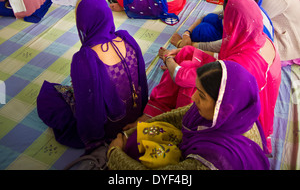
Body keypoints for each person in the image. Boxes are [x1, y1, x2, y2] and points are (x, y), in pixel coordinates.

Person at [135, 0, 280, 153]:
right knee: (189, 58)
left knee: (190, 85)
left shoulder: (241, 64)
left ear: (234, 24)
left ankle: (157, 116)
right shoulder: (258, 38)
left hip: (242, 117)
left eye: (227, 22)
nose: (223, 25)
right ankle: (154, 112)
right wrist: (187, 50)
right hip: (250, 101)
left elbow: (184, 78)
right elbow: (221, 59)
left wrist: (169, 59)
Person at [107, 60, 270, 171]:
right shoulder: (237, 113)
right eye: (196, 90)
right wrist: (138, 127)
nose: (193, 98)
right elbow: (177, 116)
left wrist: (115, 154)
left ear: (224, 108)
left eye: (201, 95)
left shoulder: (212, 160)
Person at [36, 0, 148, 152]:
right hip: (136, 114)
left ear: (83, 22)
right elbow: (142, 81)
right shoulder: (126, 39)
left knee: (48, 96)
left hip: (111, 127)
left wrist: (93, 139)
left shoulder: (85, 58)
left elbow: (89, 110)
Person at [170, 0, 274, 53]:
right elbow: (206, 16)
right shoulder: (250, 10)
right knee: (210, 18)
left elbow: (220, 52)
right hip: (230, 40)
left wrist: (185, 46)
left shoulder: (250, 32)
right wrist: (186, 34)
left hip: (235, 58)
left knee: (203, 31)